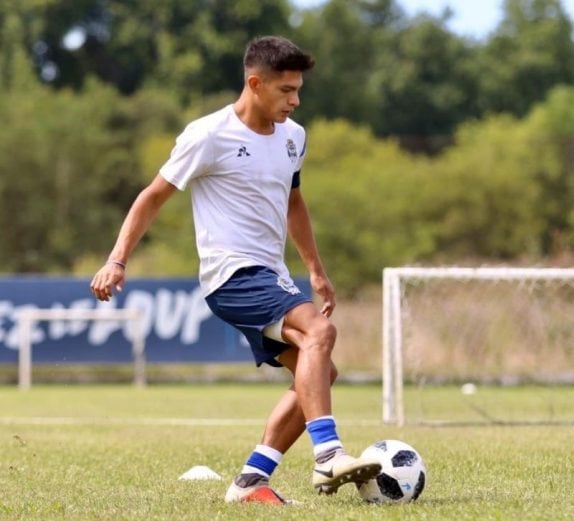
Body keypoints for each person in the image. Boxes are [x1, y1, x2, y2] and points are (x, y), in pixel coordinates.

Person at [90, 35, 381, 504]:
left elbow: (293, 201)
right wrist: (117, 258)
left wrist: (316, 270)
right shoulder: (208, 135)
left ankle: (251, 481)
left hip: (272, 274)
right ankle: (328, 455)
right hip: (231, 275)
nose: (296, 99)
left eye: (299, 89)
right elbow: (153, 196)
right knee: (319, 334)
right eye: (286, 90)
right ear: (255, 83)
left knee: (320, 375)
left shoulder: (294, 137)